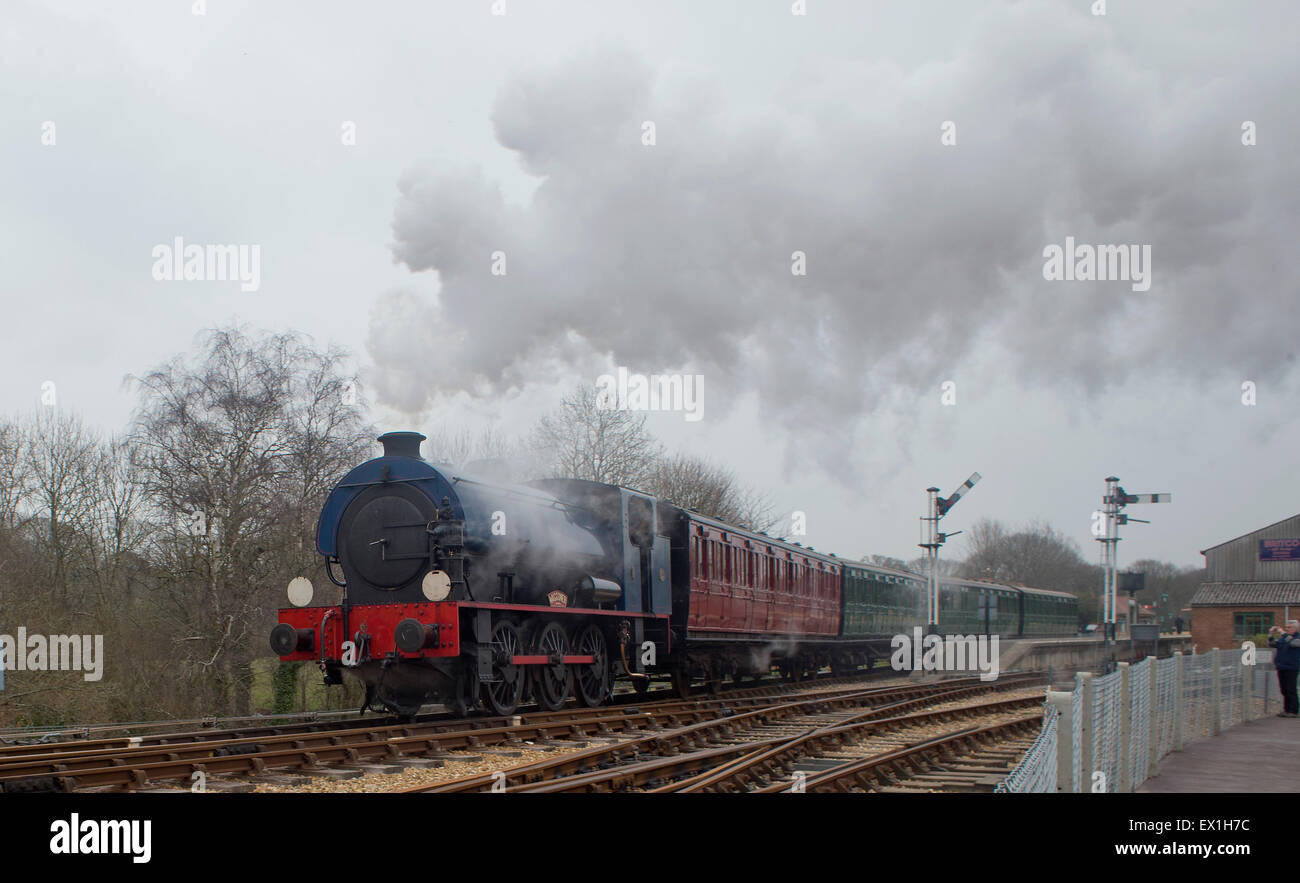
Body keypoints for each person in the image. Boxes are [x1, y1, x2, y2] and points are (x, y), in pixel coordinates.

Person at [1268, 621, 1300, 717]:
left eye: (1289, 627)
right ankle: (1286, 710)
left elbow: (1293, 643)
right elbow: (1273, 644)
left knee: (1291, 689)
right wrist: (1271, 634)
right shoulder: (1283, 638)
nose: (1287, 629)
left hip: (1291, 667)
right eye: (1286, 627)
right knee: (1284, 689)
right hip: (1281, 667)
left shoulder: (1297, 638)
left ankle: (1294, 711)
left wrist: (1283, 633)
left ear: (1295, 628)